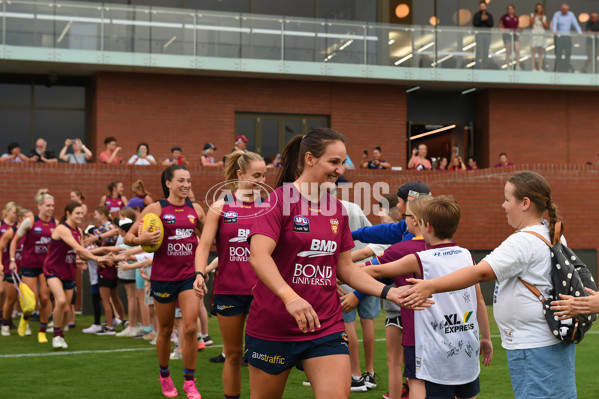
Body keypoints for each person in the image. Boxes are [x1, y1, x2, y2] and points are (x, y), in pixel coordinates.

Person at [243, 128, 421, 399]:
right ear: (310, 159)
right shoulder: (279, 199)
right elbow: (258, 255)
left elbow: (346, 269)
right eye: (334, 162)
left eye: (343, 162)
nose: (341, 169)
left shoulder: (337, 209)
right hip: (275, 324)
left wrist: (389, 292)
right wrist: (290, 297)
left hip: (325, 325)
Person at [401, 172, 576, 399]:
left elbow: (481, 272)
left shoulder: (523, 240)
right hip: (548, 340)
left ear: (525, 203)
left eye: (507, 199)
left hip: (533, 345)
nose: (503, 205)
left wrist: (430, 286)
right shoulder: (550, 231)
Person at [366, 196, 493, 399]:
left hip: (430, 343)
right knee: (466, 391)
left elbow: (374, 271)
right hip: (465, 338)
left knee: (418, 383)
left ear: (427, 226)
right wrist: (485, 337)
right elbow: (478, 301)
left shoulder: (419, 259)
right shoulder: (467, 255)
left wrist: (336, 270)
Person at [124, 164, 206, 399]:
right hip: (162, 278)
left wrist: (203, 269)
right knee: (166, 329)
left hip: (189, 276)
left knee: (190, 328)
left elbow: (210, 238)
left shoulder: (196, 210)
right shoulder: (155, 209)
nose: (186, 185)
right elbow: (129, 237)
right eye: (181, 180)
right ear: (168, 183)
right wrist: (143, 238)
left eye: (188, 180)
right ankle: (165, 376)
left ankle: (190, 381)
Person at [195, 150, 266, 399]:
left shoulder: (268, 208)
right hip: (228, 290)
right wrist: (199, 273)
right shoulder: (220, 206)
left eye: (264, 175)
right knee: (234, 354)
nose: (261, 181)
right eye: (256, 175)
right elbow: (204, 245)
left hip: (262, 291)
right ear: (239, 174)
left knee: (259, 357)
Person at [43, 201, 110, 349]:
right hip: (53, 270)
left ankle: (60, 334)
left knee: (66, 308)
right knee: (60, 301)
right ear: (68, 213)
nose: (81, 216)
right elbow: (78, 247)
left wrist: (86, 260)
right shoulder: (62, 229)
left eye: (82, 213)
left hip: (69, 271)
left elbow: (79, 254)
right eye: (77, 213)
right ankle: (55, 336)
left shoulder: (78, 231)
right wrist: (97, 258)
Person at [336, 199, 381, 392]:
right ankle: (369, 373)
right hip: (369, 269)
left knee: (348, 323)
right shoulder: (354, 207)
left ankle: (355, 375)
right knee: (368, 321)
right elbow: (373, 234)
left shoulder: (328, 209)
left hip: (345, 269)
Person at [8, 189, 56, 342]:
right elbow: (15, 241)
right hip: (29, 265)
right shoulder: (31, 222)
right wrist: (12, 260)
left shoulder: (55, 223)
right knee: (32, 300)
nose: (50, 208)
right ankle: (25, 318)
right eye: (48, 205)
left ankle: (42, 332)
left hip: (46, 266)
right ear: (39, 206)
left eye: (52, 206)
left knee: (45, 297)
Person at [352, 181, 431, 245]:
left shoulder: (412, 240)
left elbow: (392, 258)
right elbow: (384, 231)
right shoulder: (407, 226)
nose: (397, 205)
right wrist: (352, 235)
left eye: (399, 202)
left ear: (409, 205)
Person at [0, 207, 31, 336]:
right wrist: (1, 264)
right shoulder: (10, 232)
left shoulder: (30, 233)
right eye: (27, 218)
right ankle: (5, 324)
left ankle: (24, 323)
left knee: (27, 299)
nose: (30, 221)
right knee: (11, 299)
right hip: (11, 269)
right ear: (20, 219)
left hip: (26, 269)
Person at [0, 202, 18, 330]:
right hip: (2, 262)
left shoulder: (18, 228)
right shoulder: (1, 226)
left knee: (11, 294)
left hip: (13, 263)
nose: (15, 215)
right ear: (7, 212)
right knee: (1, 291)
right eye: (13, 212)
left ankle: (7, 318)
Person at [551, 3, 582, 73]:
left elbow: (575, 23)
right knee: (558, 54)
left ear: (567, 10)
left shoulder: (571, 15)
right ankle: (558, 69)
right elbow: (554, 23)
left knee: (568, 54)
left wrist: (579, 32)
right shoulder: (557, 14)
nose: (563, 11)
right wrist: (554, 31)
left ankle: (566, 68)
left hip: (567, 37)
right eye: (562, 10)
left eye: (565, 10)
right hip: (559, 38)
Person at [473, 1, 494, 69]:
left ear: (486, 6)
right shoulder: (476, 15)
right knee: (478, 50)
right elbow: (475, 24)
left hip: (487, 35)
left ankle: (485, 66)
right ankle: (477, 65)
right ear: (480, 7)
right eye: (481, 6)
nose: (482, 7)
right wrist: (481, 20)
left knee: (486, 51)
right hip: (479, 35)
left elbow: (491, 24)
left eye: (483, 6)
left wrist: (486, 19)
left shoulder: (489, 15)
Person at [499, 5, 521, 70]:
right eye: (509, 9)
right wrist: (504, 30)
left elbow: (518, 26)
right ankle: (508, 66)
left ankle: (517, 65)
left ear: (513, 10)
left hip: (515, 35)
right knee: (508, 51)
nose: (510, 10)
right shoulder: (504, 17)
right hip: (507, 36)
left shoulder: (516, 18)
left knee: (517, 49)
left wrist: (518, 30)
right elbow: (500, 26)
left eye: (511, 9)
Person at [530, 3, 548, 71]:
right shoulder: (532, 15)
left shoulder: (544, 17)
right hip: (534, 33)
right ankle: (533, 67)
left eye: (540, 8)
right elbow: (531, 26)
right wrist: (534, 17)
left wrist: (541, 20)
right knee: (534, 50)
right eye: (537, 8)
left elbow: (546, 27)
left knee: (541, 51)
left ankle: (540, 68)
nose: (538, 9)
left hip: (541, 34)